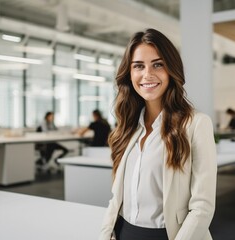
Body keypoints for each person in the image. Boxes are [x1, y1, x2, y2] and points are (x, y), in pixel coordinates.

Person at [99, 29, 217, 240]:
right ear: (129, 73)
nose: (147, 74)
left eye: (158, 64)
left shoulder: (196, 124)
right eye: (138, 66)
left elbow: (202, 206)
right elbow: (117, 197)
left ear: (171, 69)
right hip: (124, 232)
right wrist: (105, 234)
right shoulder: (127, 126)